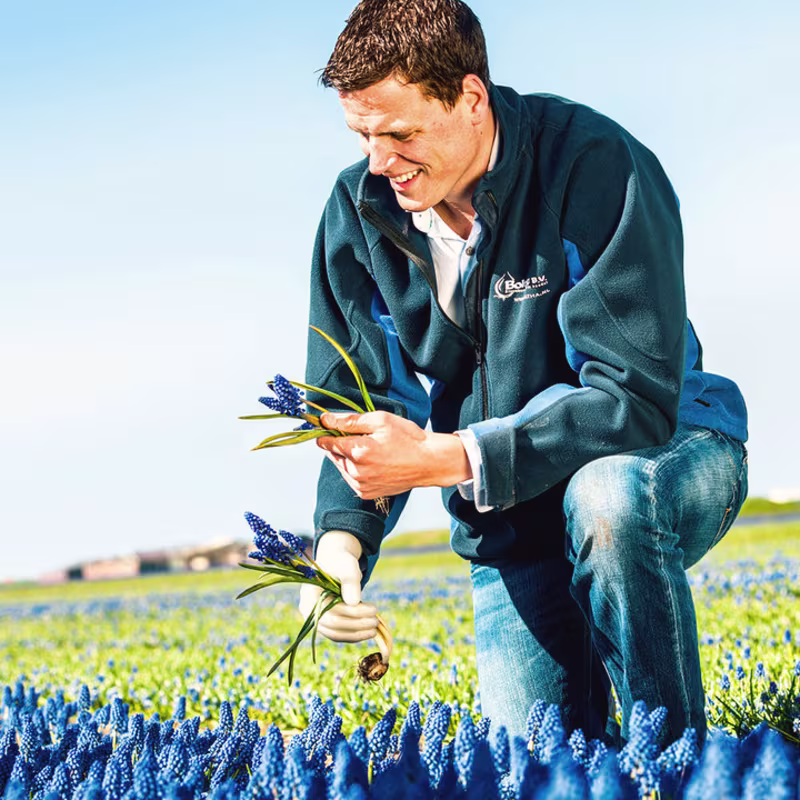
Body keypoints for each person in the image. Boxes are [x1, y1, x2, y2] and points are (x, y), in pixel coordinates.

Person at [297, 0, 748, 748]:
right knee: (533, 767)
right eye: (362, 135)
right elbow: (362, 398)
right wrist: (338, 548)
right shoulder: (361, 208)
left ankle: (677, 766)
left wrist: (448, 457)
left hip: (669, 450)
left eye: (400, 133)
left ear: (471, 99)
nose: (379, 162)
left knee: (607, 500)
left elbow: (629, 398)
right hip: (509, 520)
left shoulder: (591, 162)